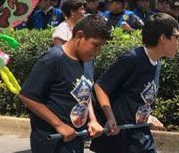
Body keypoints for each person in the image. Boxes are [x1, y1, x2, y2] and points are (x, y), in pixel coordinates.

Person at [19, 14, 112, 152]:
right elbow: (27, 96)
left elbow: (84, 92)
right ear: (80, 36)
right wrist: (59, 125)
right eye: (96, 45)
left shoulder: (88, 60)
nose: (98, 51)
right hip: (52, 141)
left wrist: (92, 119)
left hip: (75, 139)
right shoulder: (53, 59)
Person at [91, 13, 179, 153]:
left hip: (141, 137)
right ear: (163, 38)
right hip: (119, 140)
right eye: (177, 37)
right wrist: (110, 116)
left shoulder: (157, 62)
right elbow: (100, 86)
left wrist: (147, 116)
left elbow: (137, 99)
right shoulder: (133, 59)